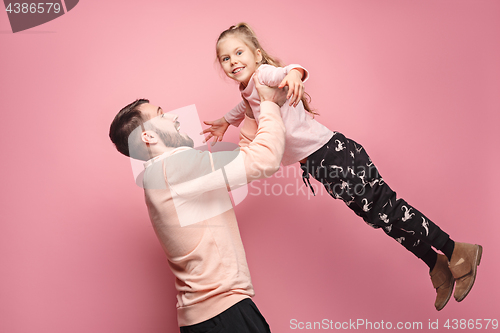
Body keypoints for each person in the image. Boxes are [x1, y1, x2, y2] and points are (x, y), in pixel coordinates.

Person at [202, 22, 483, 311]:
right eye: (226, 58)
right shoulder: (248, 90)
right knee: (378, 218)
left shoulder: (263, 75)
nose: (233, 61)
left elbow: (289, 70)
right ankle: (434, 262)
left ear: (257, 55)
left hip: (336, 155)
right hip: (320, 165)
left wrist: (296, 75)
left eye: (239, 53)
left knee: (389, 209)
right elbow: (244, 107)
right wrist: (226, 120)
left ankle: (456, 251)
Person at [109, 75, 287, 332]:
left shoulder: (159, 174)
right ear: (148, 136)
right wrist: (270, 104)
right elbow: (265, 160)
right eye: (162, 115)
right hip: (225, 316)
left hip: (205, 319)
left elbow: (242, 162)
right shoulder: (177, 166)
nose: (174, 117)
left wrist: (250, 116)